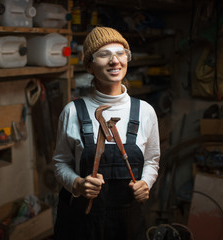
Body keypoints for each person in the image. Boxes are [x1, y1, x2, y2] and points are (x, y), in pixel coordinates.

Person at [52, 27, 160, 240]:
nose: (114, 60)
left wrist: (146, 182)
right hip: (83, 225)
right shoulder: (72, 111)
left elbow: (152, 160)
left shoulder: (146, 111)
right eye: (103, 54)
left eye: (121, 53)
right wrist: (77, 183)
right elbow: (60, 163)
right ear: (90, 66)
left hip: (127, 226)